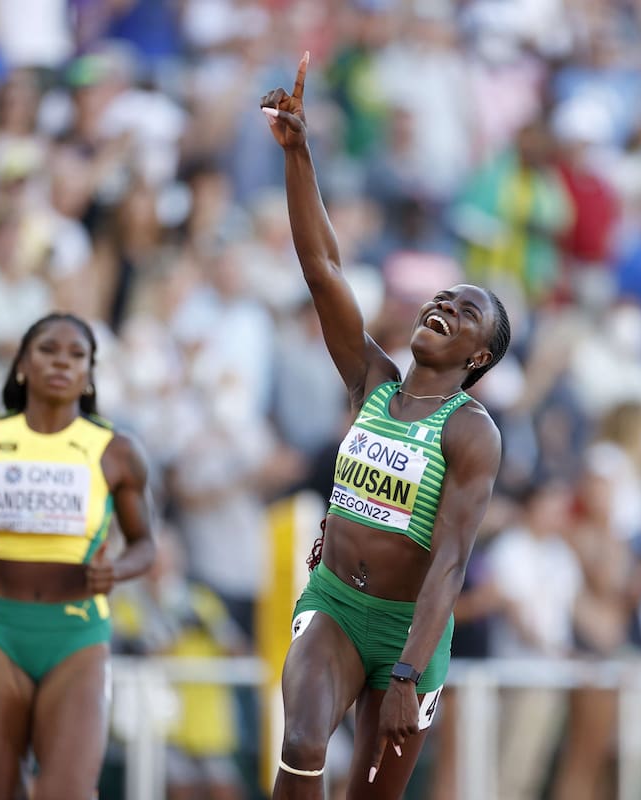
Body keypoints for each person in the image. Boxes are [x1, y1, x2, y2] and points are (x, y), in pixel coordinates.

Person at [261, 53, 510, 799]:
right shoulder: (372, 381)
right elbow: (324, 270)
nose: (443, 307)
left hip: (409, 633)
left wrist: (406, 673)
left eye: (465, 311)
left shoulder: (471, 432)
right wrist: (299, 154)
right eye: (441, 298)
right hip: (336, 604)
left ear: (479, 356)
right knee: (302, 742)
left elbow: (451, 562)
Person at [0, 312, 155, 800]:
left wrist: (117, 571)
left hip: (77, 634)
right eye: (48, 350)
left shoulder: (115, 451)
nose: (62, 362)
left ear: (90, 373)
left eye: (76, 355)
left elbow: (145, 544)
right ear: (22, 364)